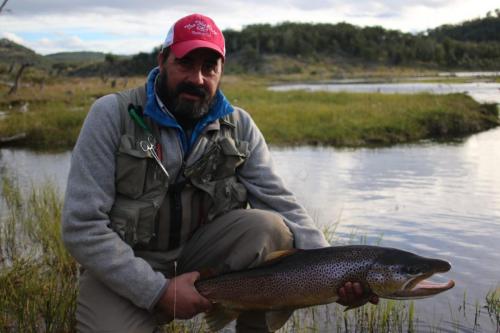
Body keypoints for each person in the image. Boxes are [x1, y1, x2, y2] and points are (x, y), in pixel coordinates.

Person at [62, 13, 377, 333]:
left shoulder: (239, 126)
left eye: (209, 67)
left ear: (221, 70)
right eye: (186, 63)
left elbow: (280, 202)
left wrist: (335, 270)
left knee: (271, 227)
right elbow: (81, 227)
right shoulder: (113, 115)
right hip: (131, 262)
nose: (197, 78)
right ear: (162, 60)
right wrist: (159, 292)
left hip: (203, 259)